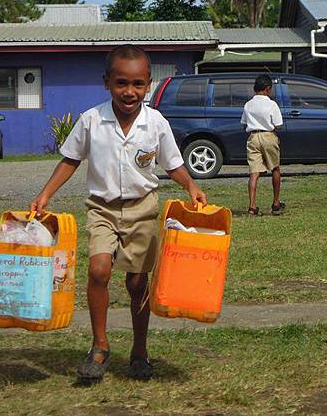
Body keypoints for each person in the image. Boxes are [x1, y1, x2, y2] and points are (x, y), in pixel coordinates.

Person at [30, 44, 207, 383]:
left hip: (142, 210)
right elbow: (70, 160)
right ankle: (100, 347)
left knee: (137, 282)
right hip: (102, 209)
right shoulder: (92, 120)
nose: (129, 92)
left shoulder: (155, 123)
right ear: (106, 82)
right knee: (99, 270)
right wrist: (45, 194)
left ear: (148, 84)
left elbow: (173, 164)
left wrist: (191, 187)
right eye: (121, 83)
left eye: (138, 84)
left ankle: (139, 352)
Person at [241, 74, 285, 216]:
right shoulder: (272, 104)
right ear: (268, 89)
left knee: (254, 173)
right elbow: (278, 125)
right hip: (268, 135)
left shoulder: (248, 104)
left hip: (253, 137)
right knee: (275, 168)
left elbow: (244, 124)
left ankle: (252, 206)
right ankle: (276, 203)